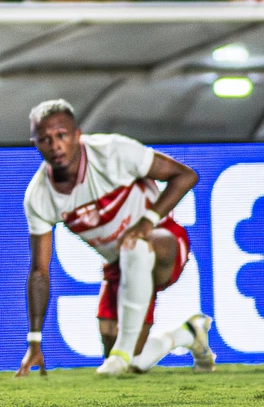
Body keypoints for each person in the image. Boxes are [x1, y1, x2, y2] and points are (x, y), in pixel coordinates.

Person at [18, 99, 214, 378]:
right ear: (34, 143)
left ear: (77, 134)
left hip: (163, 243)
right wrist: (34, 340)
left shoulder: (113, 151)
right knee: (130, 365)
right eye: (45, 139)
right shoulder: (38, 196)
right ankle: (187, 335)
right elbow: (39, 271)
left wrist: (147, 222)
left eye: (61, 135)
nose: (56, 145)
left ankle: (125, 351)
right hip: (119, 265)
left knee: (136, 246)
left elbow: (185, 175)